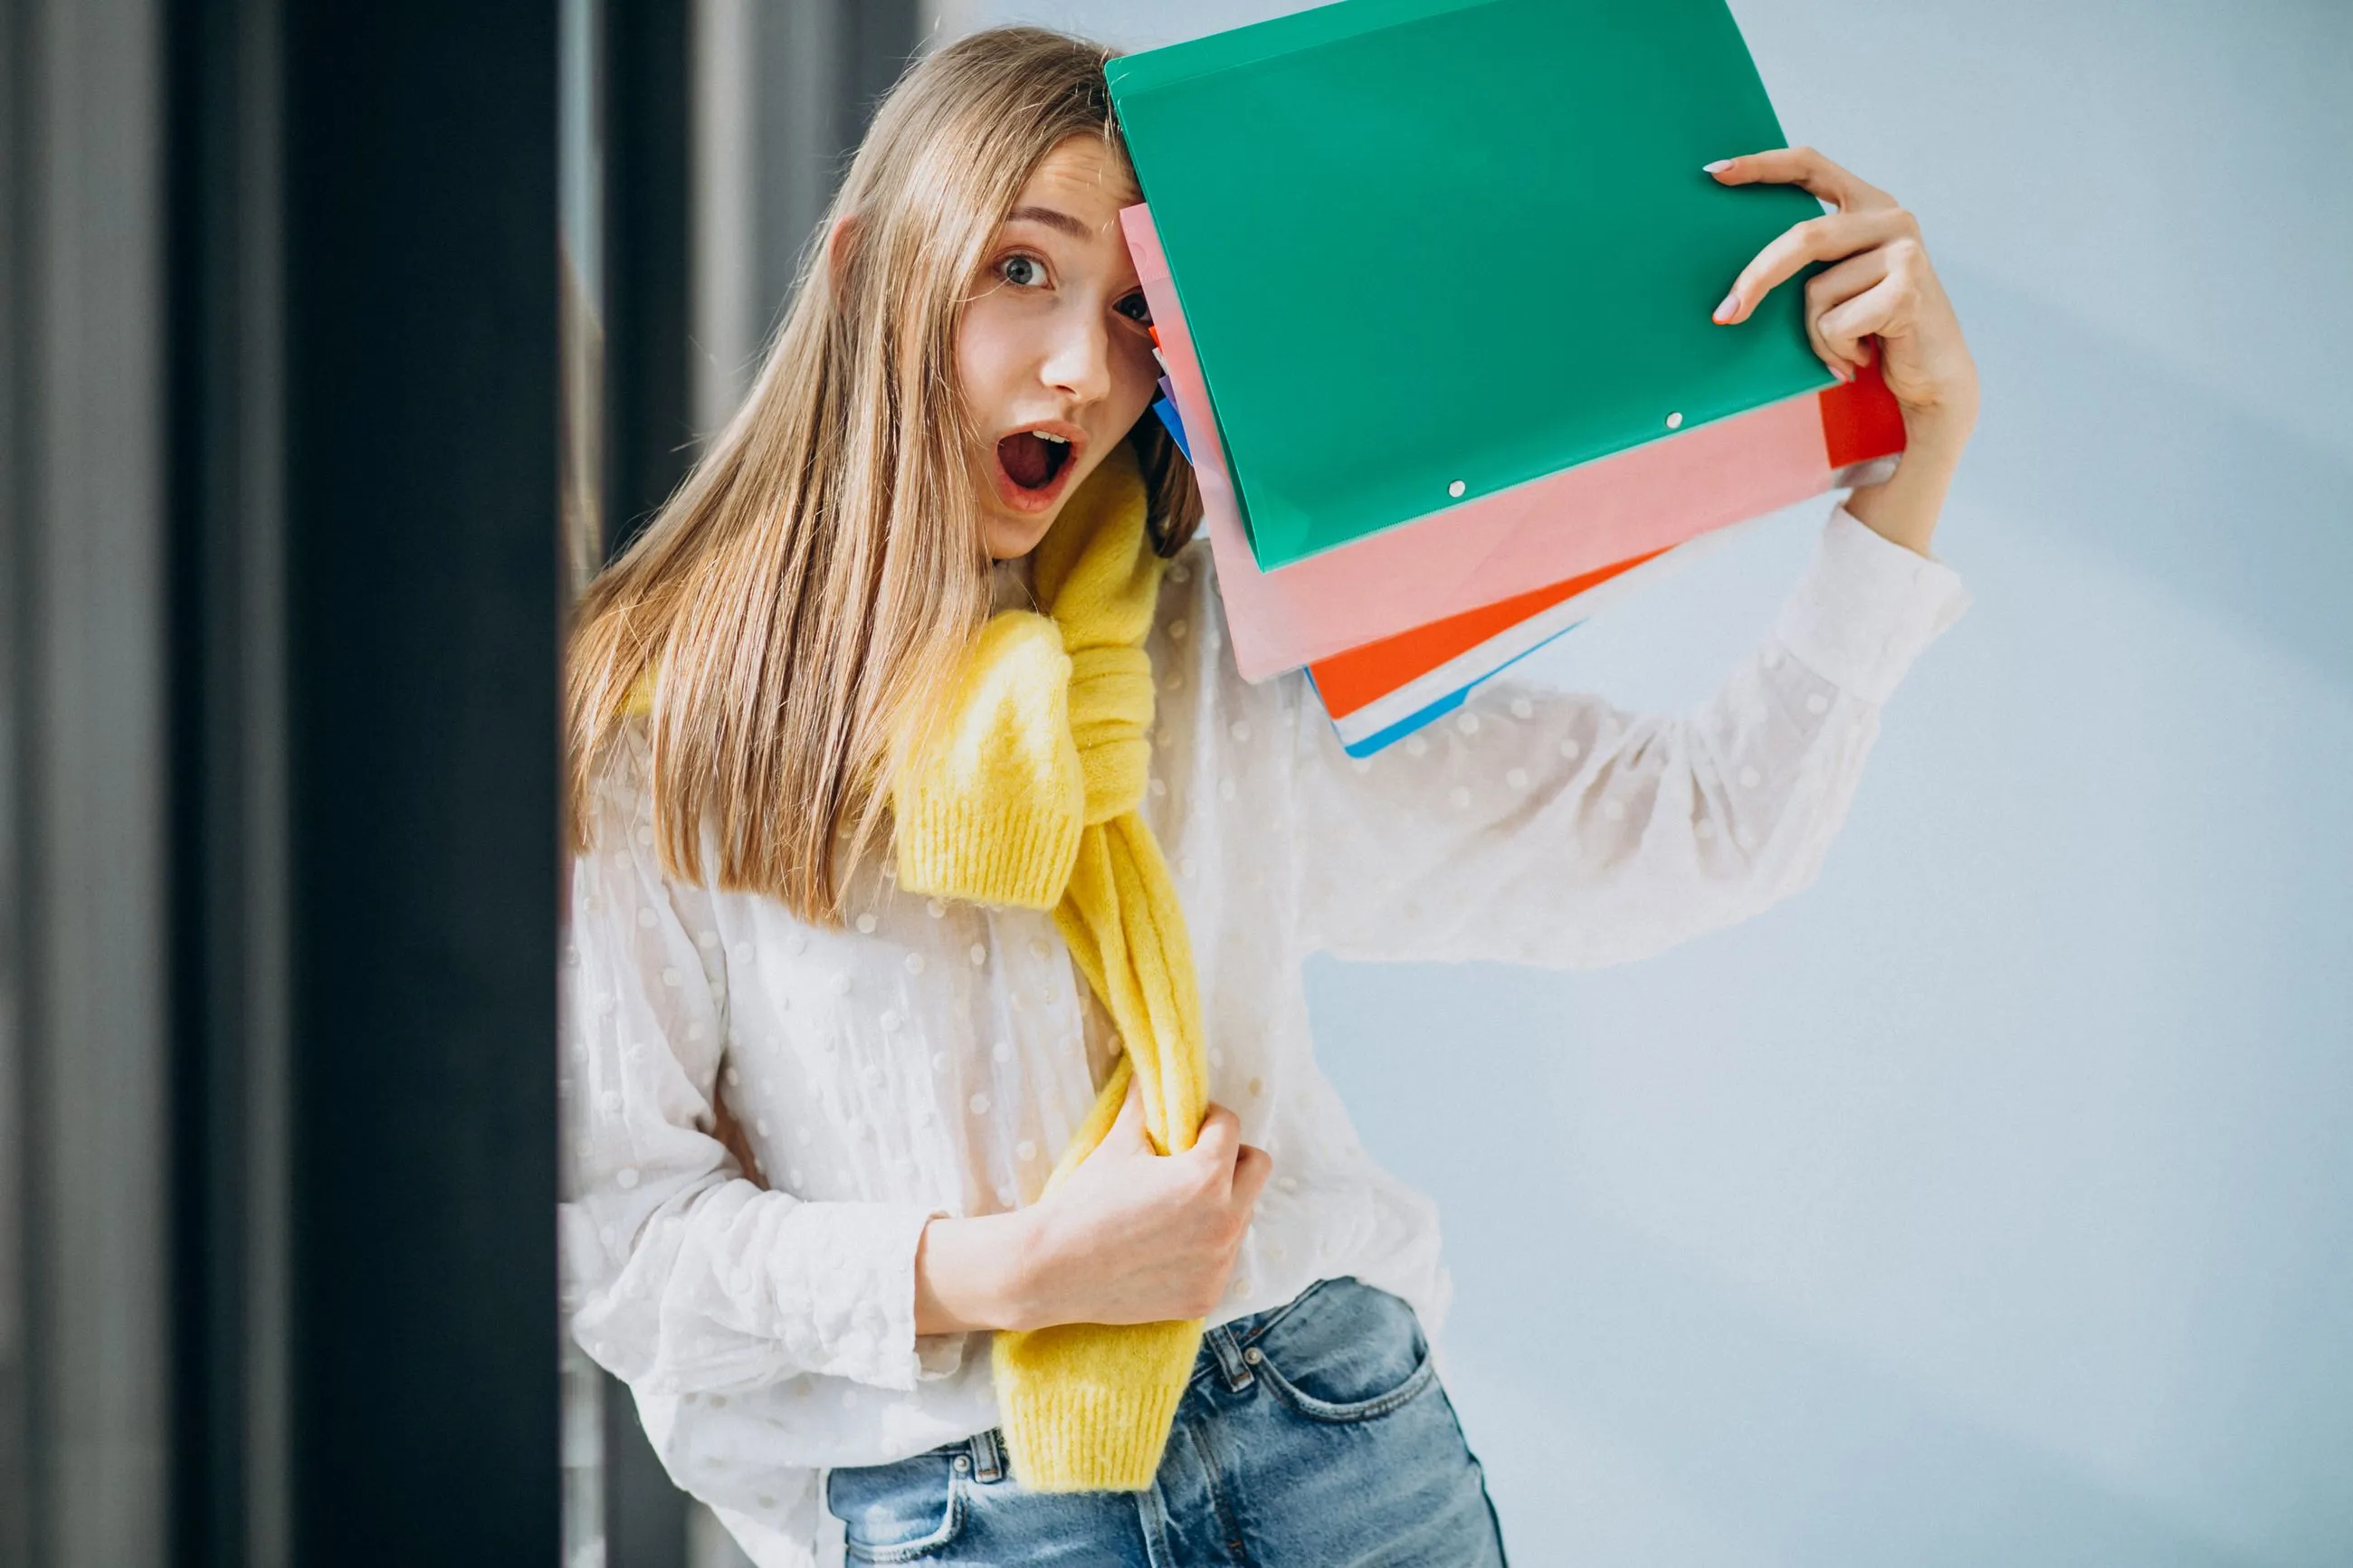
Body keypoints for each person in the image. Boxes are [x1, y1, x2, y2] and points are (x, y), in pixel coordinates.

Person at [558, 24, 1977, 1568]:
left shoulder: (1220, 652)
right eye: (1020, 270)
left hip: (1337, 1443)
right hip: (962, 1515)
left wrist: (1914, 465)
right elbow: (617, 1242)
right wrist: (1004, 1272)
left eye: (1135, 313)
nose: (1079, 370)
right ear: (861, 272)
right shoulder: (659, 722)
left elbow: (1700, 831)